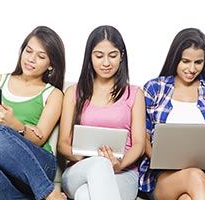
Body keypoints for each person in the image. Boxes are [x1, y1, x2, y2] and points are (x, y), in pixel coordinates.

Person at [0, 26, 67, 200]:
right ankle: (45, 195)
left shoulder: (53, 94)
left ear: (51, 65)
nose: (31, 59)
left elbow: (38, 140)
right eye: (28, 51)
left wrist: (13, 124)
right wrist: (3, 133)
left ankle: (47, 192)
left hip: (38, 165)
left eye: (41, 56)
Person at [138, 28, 205, 200]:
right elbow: (142, 135)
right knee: (193, 175)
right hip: (162, 177)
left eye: (198, 62)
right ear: (175, 59)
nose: (192, 69)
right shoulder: (155, 88)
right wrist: (163, 160)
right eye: (185, 61)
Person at [58, 25, 146, 200]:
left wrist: (119, 164)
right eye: (99, 56)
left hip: (123, 173)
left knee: (85, 195)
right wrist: (85, 155)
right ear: (89, 57)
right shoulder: (73, 93)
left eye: (112, 55)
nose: (106, 63)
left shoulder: (135, 94)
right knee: (99, 164)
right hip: (79, 170)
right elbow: (62, 144)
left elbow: (139, 144)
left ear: (121, 56)